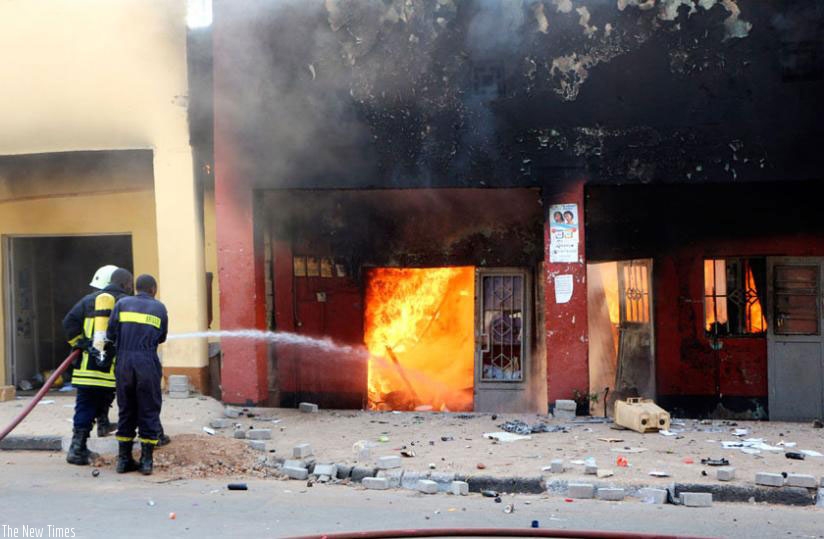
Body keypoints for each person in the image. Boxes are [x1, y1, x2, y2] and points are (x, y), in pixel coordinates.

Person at [62, 267, 132, 465]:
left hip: (87, 367)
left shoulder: (87, 301)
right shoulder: (125, 303)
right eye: (130, 284)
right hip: (111, 369)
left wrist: (80, 343)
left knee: (86, 404)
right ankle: (79, 449)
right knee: (111, 401)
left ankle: (79, 446)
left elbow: (68, 322)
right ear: (125, 284)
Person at [108, 274, 168, 475]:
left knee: (126, 409)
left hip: (124, 362)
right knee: (148, 408)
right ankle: (146, 461)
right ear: (153, 289)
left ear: (136, 288)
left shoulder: (122, 303)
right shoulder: (159, 308)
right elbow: (161, 338)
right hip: (147, 362)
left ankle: (124, 460)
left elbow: (110, 334)